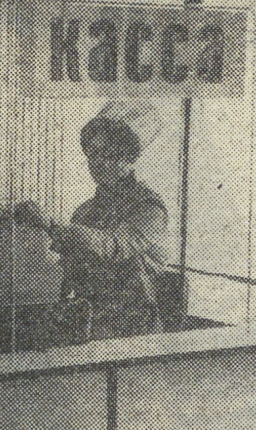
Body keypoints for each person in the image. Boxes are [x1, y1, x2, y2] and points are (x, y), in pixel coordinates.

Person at [14, 102, 168, 340]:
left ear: (130, 159)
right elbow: (68, 269)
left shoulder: (149, 208)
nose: (99, 162)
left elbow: (113, 246)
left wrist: (50, 225)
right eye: (93, 154)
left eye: (110, 154)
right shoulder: (84, 212)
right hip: (88, 320)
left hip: (133, 328)